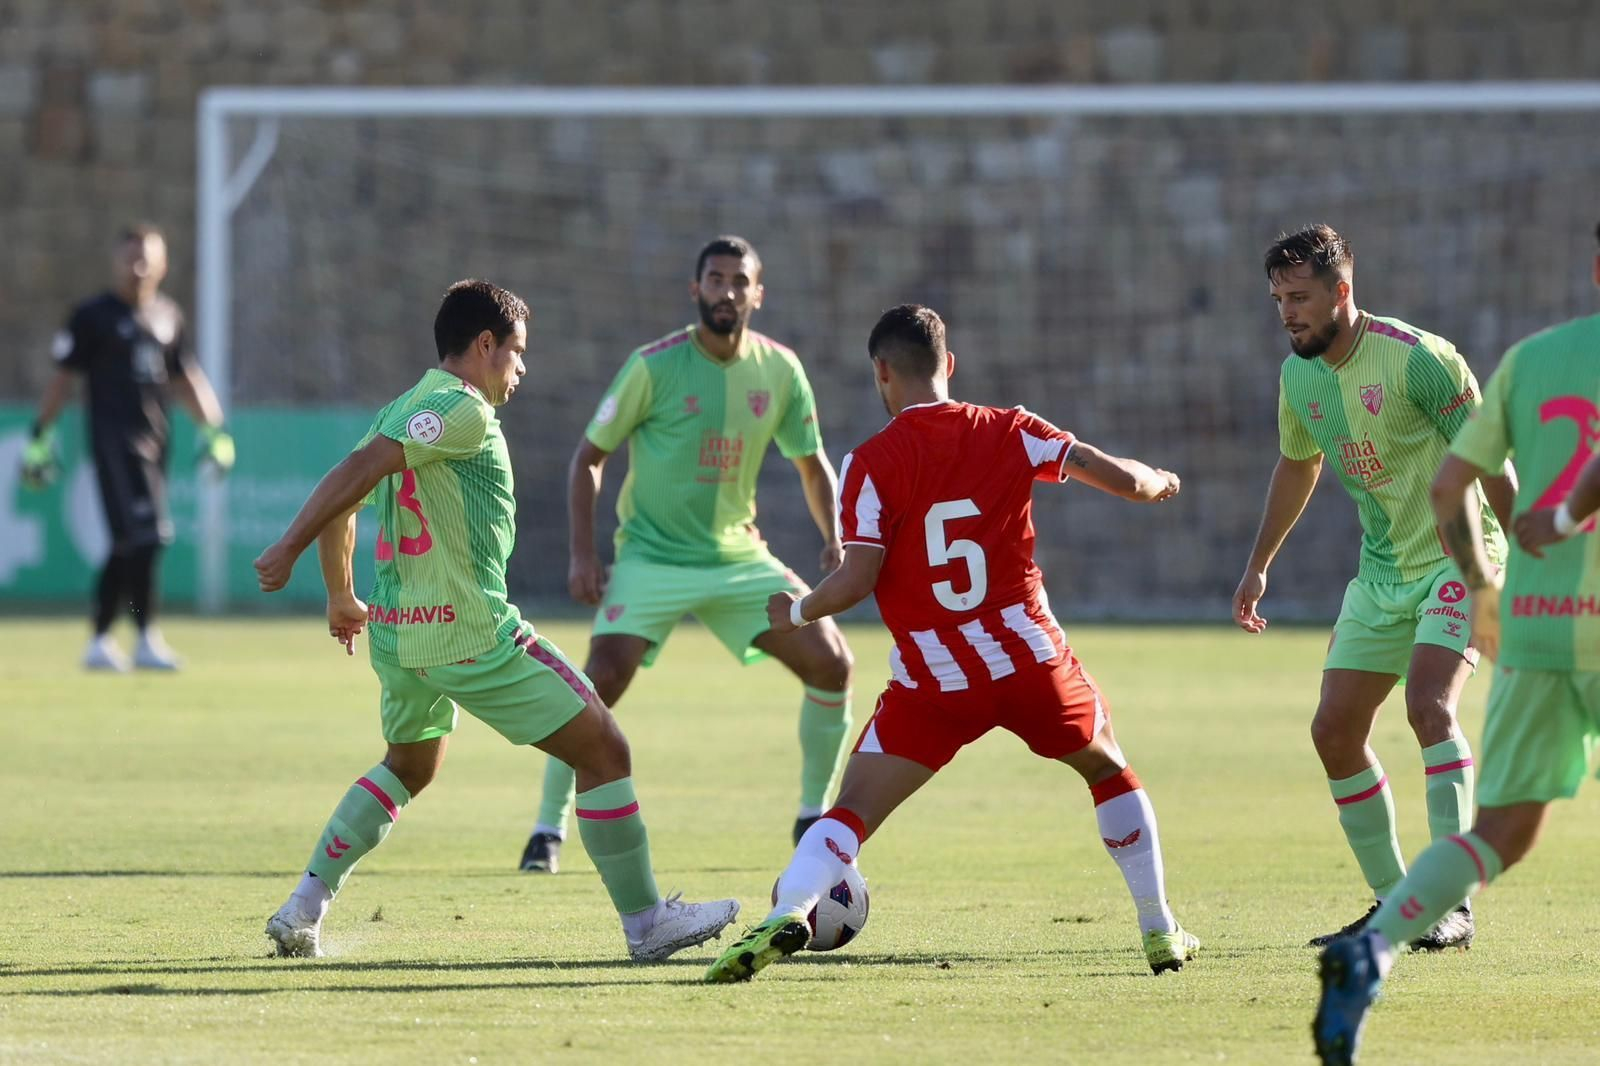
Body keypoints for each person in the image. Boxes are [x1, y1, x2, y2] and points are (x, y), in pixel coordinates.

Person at [704, 304, 1197, 983]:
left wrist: (796, 610)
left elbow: (856, 579)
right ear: (950, 365)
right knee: (1108, 770)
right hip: (1029, 660)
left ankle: (790, 909)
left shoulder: (869, 463)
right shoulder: (1013, 429)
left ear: (882, 372)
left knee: (851, 811)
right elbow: (1128, 481)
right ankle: (1159, 927)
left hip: (934, 679)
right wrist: (1161, 480)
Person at [253, 279, 738, 961]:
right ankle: (646, 923)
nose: (522, 367)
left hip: (400, 634)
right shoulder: (463, 408)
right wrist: (288, 547)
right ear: (485, 344)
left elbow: (350, 486)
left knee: (409, 765)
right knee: (605, 749)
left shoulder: (403, 405)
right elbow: (358, 472)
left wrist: (341, 593)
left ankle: (303, 908)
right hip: (470, 632)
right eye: (518, 351)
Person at [1312, 223, 1600, 1065]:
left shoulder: (1529, 361)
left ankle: (1374, 949)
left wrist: (1483, 590)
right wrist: (1564, 514)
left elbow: (1449, 488)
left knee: (1502, 832)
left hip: (1540, 623)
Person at [521, 235, 854, 874]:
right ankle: (547, 829)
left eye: (739, 281)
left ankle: (813, 818)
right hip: (650, 558)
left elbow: (812, 466)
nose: (727, 291)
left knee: (832, 664)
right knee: (598, 682)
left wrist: (835, 537)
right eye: (715, 279)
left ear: (758, 294)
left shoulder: (781, 370)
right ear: (695, 289)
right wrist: (582, 554)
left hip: (736, 558)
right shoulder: (653, 366)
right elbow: (588, 457)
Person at [1232, 224, 1515, 949]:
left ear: (1342, 291)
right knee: (1333, 732)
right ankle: (1397, 906)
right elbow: (1299, 464)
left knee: (1429, 706)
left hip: (1460, 558)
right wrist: (1259, 563)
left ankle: (1451, 901)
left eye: (1300, 298)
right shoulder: (1299, 377)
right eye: (1278, 300)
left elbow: (1490, 459)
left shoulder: (1421, 359)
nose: (1287, 313)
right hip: (1383, 571)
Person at [20, 223, 235, 671]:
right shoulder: (92, 316)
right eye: (129, 259)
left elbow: (187, 377)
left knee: (128, 543)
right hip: (114, 445)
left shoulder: (168, 316)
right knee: (150, 535)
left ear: (162, 265)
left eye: (146, 260)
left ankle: (102, 639)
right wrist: (40, 437)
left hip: (157, 443)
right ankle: (144, 635)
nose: (138, 268)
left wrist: (215, 432)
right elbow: (62, 379)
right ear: (115, 262)